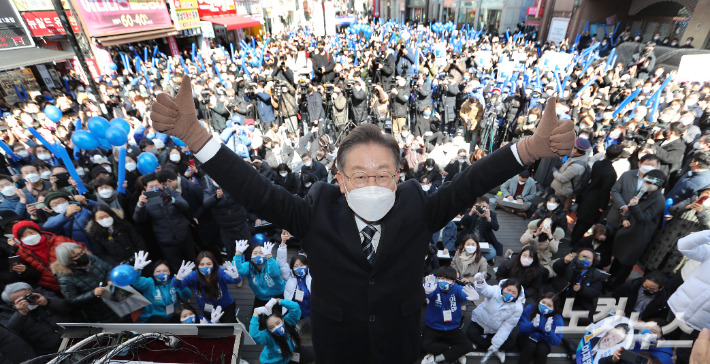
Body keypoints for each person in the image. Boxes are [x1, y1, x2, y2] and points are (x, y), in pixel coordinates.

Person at [149, 77, 575, 363]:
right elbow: (254, 188)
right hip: (339, 344)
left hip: (401, 341)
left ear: (399, 176)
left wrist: (529, 148)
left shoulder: (416, 206)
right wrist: (197, 139)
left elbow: (470, 182)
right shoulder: (315, 208)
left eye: (382, 174)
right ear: (340, 179)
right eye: (360, 175)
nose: (372, 183)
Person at [608, 169, 667, 290]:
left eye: (649, 182)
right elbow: (630, 207)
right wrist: (625, 218)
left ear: (657, 185)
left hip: (638, 236)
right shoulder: (643, 192)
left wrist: (634, 206)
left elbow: (644, 219)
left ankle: (617, 286)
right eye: (645, 181)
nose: (645, 184)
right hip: (627, 231)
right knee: (618, 258)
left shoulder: (659, 201)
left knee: (626, 263)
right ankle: (609, 278)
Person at [641, 187, 710, 275]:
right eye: (706, 193)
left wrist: (701, 212)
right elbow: (672, 209)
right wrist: (687, 206)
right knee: (651, 266)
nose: (708, 196)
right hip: (667, 239)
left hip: (685, 245)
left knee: (668, 272)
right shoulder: (691, 199)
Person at [133, 173, 195, 270]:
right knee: (176, 267)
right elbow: (138, 219)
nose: (155, 188)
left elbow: (185, 206)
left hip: (184, 235)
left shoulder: (170, 192)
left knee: (192, 262)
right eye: (151, 186)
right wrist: (140, 205)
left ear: (161, 184)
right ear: (145, 188)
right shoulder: (145, 200)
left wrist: (171, 200)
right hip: (166, 241)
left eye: (157, 185)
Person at [667, 230, 710, 364]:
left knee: (685, 355)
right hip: (679, 307)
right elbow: (684, 245)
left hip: (701, 322)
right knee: (665, 339)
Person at [51, 243, 123, 323]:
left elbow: (109, 269)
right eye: (77, 256)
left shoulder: (92, 259)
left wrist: (109, 280)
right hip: (100, 311)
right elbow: (71, 300)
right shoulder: (65, 278)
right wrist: (93, 293)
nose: (82, 255)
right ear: (68, 261)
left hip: (115, 299)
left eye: (81, 251)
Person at [420, 266, 478, 364]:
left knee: (467, 345)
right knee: (422, 345)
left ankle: (437, 358)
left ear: (454, 281)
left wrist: (471, 296)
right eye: (441, 278)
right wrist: (426, 292)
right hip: (433, 326)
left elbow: (463, 294)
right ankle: (455, 352)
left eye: (448, 279)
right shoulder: (433, 287)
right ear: (437, 278)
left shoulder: (458, 289)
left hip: (452, 327)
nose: (444, 281)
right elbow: (428, 295)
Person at [0, 282, 74, 355]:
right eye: (21, 300)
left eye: (28, 296)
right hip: (51, 350)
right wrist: (21, 313)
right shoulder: (5, 314)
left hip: (74, 336)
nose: (27, 300)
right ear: (11, 305)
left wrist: (47, 302)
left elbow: (69, 308)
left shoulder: (44, 294)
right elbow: (11, 334)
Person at [13, 220, 83, 294]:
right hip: (55, 287)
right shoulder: (21, 253)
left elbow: (82, 251)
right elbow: (32, 274)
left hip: (79, 278)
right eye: (23, 235)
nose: (29, 236)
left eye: (31, 232)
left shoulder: (59, 240)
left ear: (37, 231)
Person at [171, 251, 242, 323]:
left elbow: (234, 280)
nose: (205, 267)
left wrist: (236, 276)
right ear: (197, 265)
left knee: (230, 325)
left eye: (208, 264)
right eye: (201, 264)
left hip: (226, 306)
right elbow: (177, 284)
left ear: (214, 264)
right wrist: (178, 278)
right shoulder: (194, 276)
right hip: (207, 309)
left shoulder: (220, 273)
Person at [468, 274, 525, 363]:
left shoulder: (518, 308)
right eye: (508, 290)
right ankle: (496, 350)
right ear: (503, 288)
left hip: (495, 329)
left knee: (510, 345)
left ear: (517, 295)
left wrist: (495, 345)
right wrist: (480, 282)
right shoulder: (495, 290)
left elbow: (507, 327)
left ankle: (485, 344)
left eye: (514, 292)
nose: (510, 294)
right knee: (470, 333)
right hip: (480, 322)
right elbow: (484, 290)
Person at [571, 144, 621, 243]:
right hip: (596, 200)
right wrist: (603, 205)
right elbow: (605, 191)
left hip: (588, 193)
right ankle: (575, 241)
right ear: (617, 156)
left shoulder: (598, 164)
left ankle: (573, 237)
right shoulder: (611, 173)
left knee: (580, 220)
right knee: (586, 223)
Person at [607, 154, 661, 236]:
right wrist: (623, 206)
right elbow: (615, 191)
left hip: (631, 221)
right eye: (647, 164)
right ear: (640, 164)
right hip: (616, 215)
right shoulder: (627, 175)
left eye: (653, 165)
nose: (650, 167)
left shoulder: (655, 183)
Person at [547, 247, 605, 324]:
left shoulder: (597, 275)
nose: (585, 259)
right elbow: (556, 268)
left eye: (588, 258)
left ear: (593, 261)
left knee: (586, 319)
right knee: (545, 300)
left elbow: (595, 292)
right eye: (582, 256)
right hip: (561, 295)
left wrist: (582, 289)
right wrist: (563, 262)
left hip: (577, 302)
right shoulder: (569, 263)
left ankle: (557, 311)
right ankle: (559, 311)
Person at [251, 298, 314, 364]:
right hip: (277, 362)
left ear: (282, 320)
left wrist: (278, 301)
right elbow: (254, 335)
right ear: (268, 329)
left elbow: (295, 308)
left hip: (293, 353)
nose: (277, 328)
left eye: (278, 323)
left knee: (314, 353)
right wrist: (256, 313)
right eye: (271, 327)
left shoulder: (289, 322)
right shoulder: (268, 336)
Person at [131, 255, 192, 323]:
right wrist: (137, 269)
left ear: (169, 272)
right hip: (153, 318)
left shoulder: (174, 282)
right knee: (159, 321)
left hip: (171, 316)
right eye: (158, 271)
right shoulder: (149, 282)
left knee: (189, 317)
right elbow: (135, 281)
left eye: (165, 271)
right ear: (153, 273)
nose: (161, 274)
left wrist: (179, 282)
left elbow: (186, 296)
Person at [203, 179, 252, 261]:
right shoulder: (209, 191)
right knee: (231, 254)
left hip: (242, 226)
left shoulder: (232, 186)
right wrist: (216, 197)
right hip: (227, 230)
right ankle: (234, 273)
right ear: (211, 180)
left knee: (248, 251)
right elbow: (206, 203)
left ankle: (251, 271)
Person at [234, 240, 286, 312]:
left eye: (261, 253)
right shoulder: (248, 266)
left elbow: (275, 273)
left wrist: (269, 257)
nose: (258, 255)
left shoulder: (271, 263)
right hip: (261, 297)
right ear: (251, 256)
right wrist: (238, 253)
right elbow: (238, 269)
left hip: (278, 295)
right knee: (256, 318)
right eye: (255, 253)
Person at [516, 293, 564, 364]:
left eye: (549, 305)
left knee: (542, 350)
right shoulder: (531, 308)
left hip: (544, 341)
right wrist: (532, 325)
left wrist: (549, 332)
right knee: (530, 346)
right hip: (526, 336)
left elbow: (557, 341)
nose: (545, 306)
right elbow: (521, 327)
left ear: (555, 308)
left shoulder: (557, 318)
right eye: (543, 302)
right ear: (540, 300)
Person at [276, 231, 311, 328]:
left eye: (302, 265)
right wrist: (283, 243)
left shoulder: (312, 275)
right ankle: (299, 322)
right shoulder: (290, 276)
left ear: (307, 265)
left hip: (314, 308)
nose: (299, 268)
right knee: (295, 324)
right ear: (292, 268)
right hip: (298, 309)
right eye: (296, 266)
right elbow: (281, 263)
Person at [551, 137, 591, 209]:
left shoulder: (576, 166)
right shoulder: (583, 156)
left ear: (575, 150)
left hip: (563, 189)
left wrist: (554, 171)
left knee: (557, 206)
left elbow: (563, 178)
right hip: (566, 188)